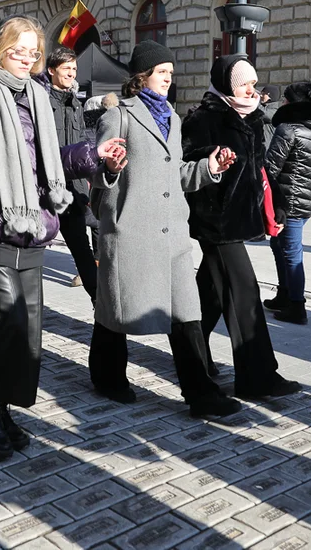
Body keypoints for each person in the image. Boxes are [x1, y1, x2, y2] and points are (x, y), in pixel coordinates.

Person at [0, 16, 125, 462]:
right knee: (6, 327)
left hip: (32, 227)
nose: (27, 58)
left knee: (29, 335)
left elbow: (47, 161)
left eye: (33, 51)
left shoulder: (37, 96)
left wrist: (92, 156)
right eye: (18, 49)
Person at [91, 40, 242, 417]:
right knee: (115, 311)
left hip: (172, 231)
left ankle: (201, 393)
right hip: (131, 231)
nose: (168, 80)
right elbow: (98, 175)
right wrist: (109, 169)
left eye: (171, 74)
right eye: (162, 73)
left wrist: (210, 168)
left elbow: (175, 176)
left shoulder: (172, 119)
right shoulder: (118, 116)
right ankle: (107, 377)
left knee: (187, 314)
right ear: (141, 77)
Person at [182, 53, 302, 400]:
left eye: (253, 83)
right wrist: (213, 159)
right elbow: (189, 163)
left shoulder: (250, 119)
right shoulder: (204, 118)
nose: (253, 89)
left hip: (239, 218)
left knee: (210, 296)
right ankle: (258, 378)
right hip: (216, 223)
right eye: (245, 84)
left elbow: (261, 169)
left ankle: (194, 358)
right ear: (228, 87)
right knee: (245, 293)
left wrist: (276, 203)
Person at [263, 79, 311, 324]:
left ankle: (297, 306)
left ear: (293, 103)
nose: (281, 102)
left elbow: (270, 167)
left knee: (291, 252)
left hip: (287, 202)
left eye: (285, 99)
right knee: (279, 246)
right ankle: (284, 294)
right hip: (306, 201)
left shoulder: (289, 129)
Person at [46, 48, 99, 299]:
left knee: (82, 249)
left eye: (74, 69)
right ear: (51, 70)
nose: (71, 73)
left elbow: (81, 142)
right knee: (31, 252)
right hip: (44, 188)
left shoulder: (76, 103)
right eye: (66, 68)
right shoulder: (40, 100)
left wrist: (87, 181)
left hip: (72, 189)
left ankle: (100, 304)